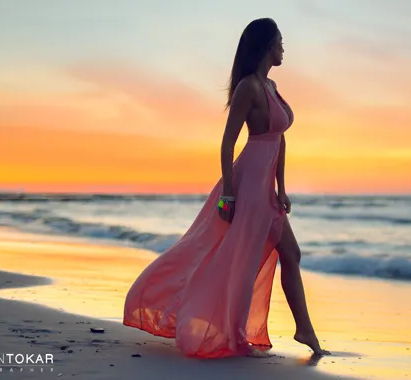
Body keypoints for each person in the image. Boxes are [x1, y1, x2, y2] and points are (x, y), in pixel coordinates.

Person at [123, 17, 330, 359]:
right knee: (242, 264)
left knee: (290, 254)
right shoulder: (248, 87)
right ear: (266, 46)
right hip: (248, 186)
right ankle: (231, 332)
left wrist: (281, 188)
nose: (283, 48)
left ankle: (304, 329)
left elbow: (278, 141)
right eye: (280, 42)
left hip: (267, 189)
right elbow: (227, 144)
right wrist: (229, 194)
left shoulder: (272, 86)